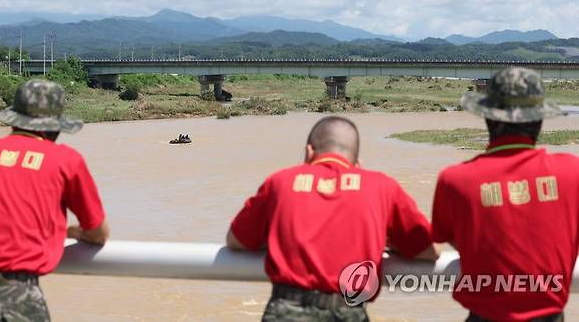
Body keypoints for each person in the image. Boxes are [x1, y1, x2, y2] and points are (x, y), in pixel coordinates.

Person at [226, 115, 438, 321]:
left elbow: (236, 240)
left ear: (309, 152)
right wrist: (386, 241)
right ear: (357, 162)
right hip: (349, 310)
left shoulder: (279, 182)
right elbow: (429, 251)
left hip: (287, 309)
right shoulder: (383, 187)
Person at [0, 79, 110, 321]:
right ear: (55, 127)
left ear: (14, 118)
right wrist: (71, 232)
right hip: (17, 295)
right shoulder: (66, 160)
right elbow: (98, 232)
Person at [432, 67, 573, 321]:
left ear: (488, 118)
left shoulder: (455, 180)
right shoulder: (572, 173)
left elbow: (453, 239)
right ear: (539, 120)